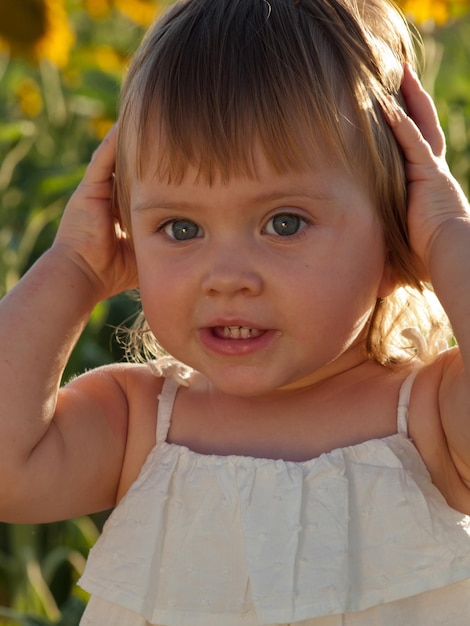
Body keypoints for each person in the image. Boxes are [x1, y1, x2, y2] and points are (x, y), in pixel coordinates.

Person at [1, 0, 470, 623]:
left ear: (394, 234)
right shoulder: (142, 422)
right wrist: (74, 267)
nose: (225, 278)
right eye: (181, 227)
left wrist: (446, 230)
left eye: (284, 222)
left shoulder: (429, 419)